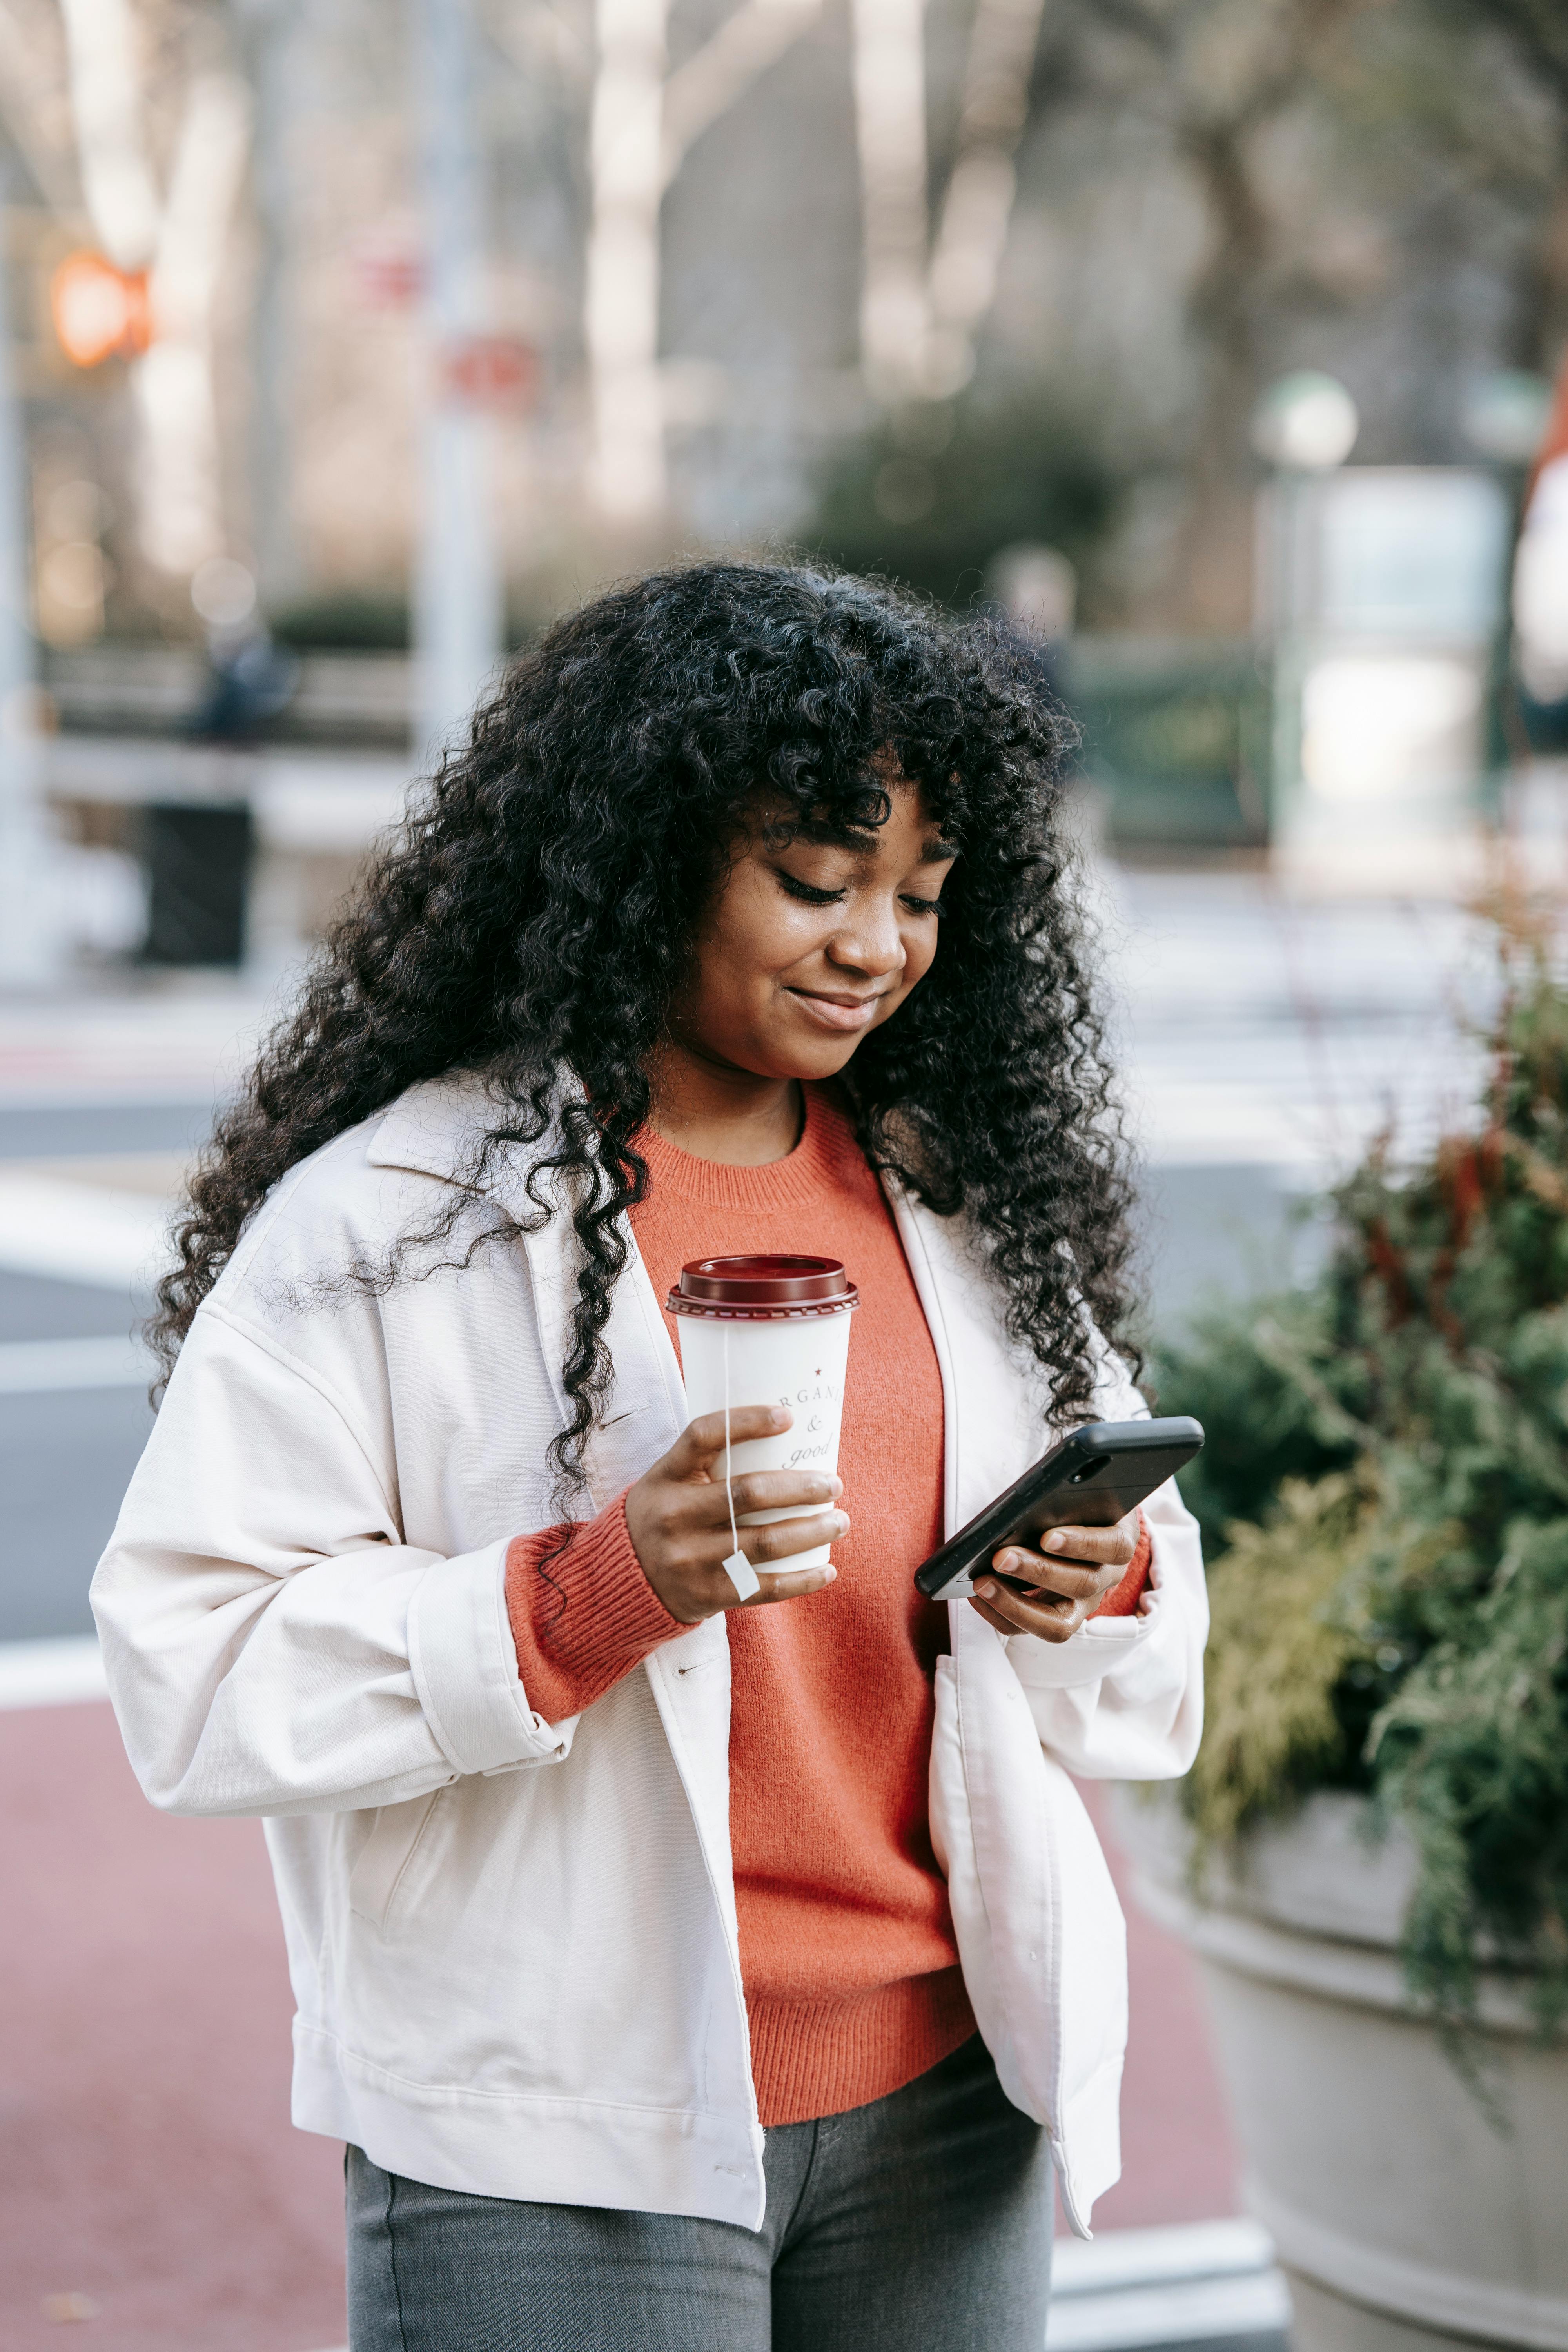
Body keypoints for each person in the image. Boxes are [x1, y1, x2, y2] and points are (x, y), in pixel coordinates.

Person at [92, 562, 1206, 2352]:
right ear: (645, 857)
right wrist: (596, 1590)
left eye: (922, 896)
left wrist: (1104, 1574)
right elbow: (194, 1668)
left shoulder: (958, 1195)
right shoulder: (396, 1213)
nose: (878, 947)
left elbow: (1134, 1655)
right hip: (556, 2130)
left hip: (945, 2090)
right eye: (815, 881)